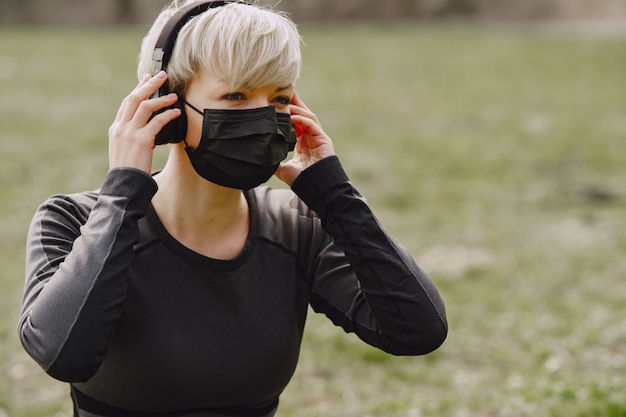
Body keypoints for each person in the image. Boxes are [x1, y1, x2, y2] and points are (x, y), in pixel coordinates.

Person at [18, 1, 448, 416]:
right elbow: (62, 353)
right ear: (167, 104)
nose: (263, 117)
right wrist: (122, 192)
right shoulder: (73, 220)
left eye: (279, 99)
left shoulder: (296, 228)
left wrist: (334, 195)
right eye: (237, 95)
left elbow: (417, 330)